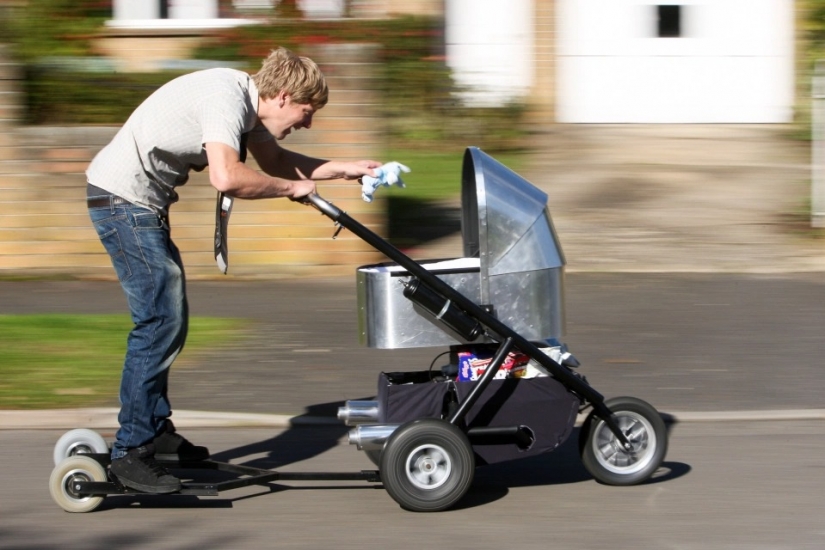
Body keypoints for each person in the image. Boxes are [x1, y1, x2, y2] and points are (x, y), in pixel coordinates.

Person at [86, 47, 382, 494]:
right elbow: (227, 177)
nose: (307, 123)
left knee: (167, 319)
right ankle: (132, 450)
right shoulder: (225, 98)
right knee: (159, 320)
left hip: (134, 206)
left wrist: (346, 169)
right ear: (283, 97)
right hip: (122, 203)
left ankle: (154, 432)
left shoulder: (246, 104)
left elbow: (276, 163)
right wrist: (291, 189)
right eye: (306, 112)